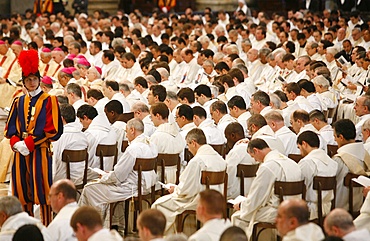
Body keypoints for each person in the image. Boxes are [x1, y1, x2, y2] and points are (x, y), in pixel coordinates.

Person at [5, 50, 63, 225]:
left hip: (40, 150)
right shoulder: (18, 101)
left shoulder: (49, 100)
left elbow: (52, 129)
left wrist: (29, 143)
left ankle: (46, 227)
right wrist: (16, 144)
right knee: (22, 191)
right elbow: (10, 128)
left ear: (39, 80)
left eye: (34, 79)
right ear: (23, 82)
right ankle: (26, 226)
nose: (31, 82)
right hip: (20, 151)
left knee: (42, 190)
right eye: (28, 80)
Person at [78, 118, 158, 224]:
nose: (126, 135)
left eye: (126, 131)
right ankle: (115, 222)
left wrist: (105, 177)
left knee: (90, 188)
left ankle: (92, 224)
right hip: (146, 186)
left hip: (130, 187)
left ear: (132, 130)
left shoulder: (133, 149)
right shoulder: (151, 145)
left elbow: (118, 176)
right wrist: (110, 175)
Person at [152, 128, 227, 234]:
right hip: (217, 199)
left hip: (197, 200)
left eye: (188, 145)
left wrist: (175, 189)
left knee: (158, 204)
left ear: (194, 143)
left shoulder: (197, 161)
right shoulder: (220, 159)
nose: (189, 148)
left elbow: (186, 190)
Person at [231, 138, 302, 239]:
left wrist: (242, 205)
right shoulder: (292, 163)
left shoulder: (267, 167)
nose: (255, 160)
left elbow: (256, 199)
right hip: (295, 210)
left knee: (238, 216)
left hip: (276, 212)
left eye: (253, 156)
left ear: (256, 150)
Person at [296, 131, 338, 220]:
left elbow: (300, 187)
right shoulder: (332, 162)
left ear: (304, 144)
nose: (300, 152)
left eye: (299, 148)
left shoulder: (307, 162)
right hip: (328, 207)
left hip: (310, 209)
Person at [332, 119, 370, 212]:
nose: (334, 140)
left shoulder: (338, 159)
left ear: (341, 137)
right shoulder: (366, 156)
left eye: (335, 137)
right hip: (362, 209)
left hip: (339, 209)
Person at [52, 104, 88, 185]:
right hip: (80, 180)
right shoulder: (83, 136)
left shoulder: (58, 137)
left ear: (61, 119)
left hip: (61, 181)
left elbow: (53, 164)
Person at [224, 122, 257, 199]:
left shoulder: (236, 151)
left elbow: (229, 172)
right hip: (252, 191)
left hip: (237, 192)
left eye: (227, 137)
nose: (227, 142)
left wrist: (225, 188)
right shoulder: (253, 147)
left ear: (232, 136)